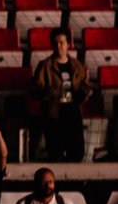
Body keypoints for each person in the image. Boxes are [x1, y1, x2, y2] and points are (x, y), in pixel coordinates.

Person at [30, 30, 88, 163]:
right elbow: (34, 89)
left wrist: (83, 94)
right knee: (56, 153)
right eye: (55, 43)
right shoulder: (45, 66)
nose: (58, 46)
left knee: (77, 153)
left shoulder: (76, 65)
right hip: (53, 114)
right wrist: (45, 94)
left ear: (68, 44)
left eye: (62, 42)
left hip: (73, 112)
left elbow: (85, 84)